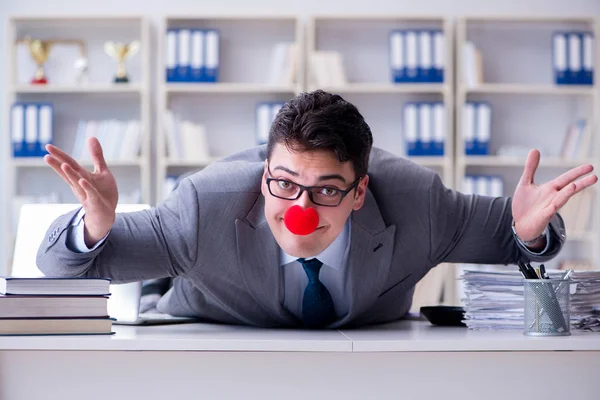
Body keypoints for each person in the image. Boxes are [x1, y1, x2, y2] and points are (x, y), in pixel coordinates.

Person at [36, 90, 597, 329]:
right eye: (284, 184)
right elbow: (64, 267)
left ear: (360, 191)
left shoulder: (417, 203)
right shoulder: (204, 208)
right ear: (263, 177)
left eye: (328, 189)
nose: (300, 208)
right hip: (213, 350)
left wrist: (526, 230)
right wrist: (97, 225)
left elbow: (512, 234)